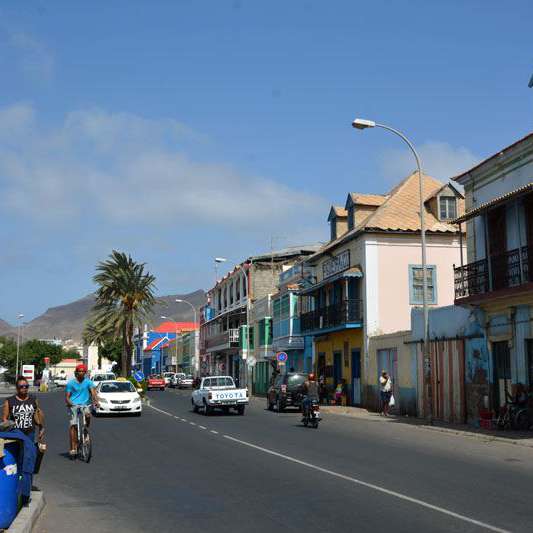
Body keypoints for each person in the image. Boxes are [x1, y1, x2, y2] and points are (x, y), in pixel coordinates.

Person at [65, 364, 99, 459]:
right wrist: (69, 402)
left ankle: (86, 430)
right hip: (74, 405)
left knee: (88, 415)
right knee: (73, 426)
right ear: (76, 372)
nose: (81, 373)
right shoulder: (71, 383)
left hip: (85, 404)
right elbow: (67, 396)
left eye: (83, 371)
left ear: (85, 373)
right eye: (79, 371)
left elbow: (93, 393)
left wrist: (96, 401)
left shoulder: (88, 382)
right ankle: (73, 448)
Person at [2, 376, 45, 442]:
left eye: (26, 386)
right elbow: (5, 418)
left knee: (28, 451)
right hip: (15, 434)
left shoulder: (33, 399)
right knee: (17, 452)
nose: (24, 388)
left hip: (30, 433)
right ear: (17, 388)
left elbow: (38, 415)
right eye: (21, 386)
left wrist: (41, 428)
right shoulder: (9, 401)